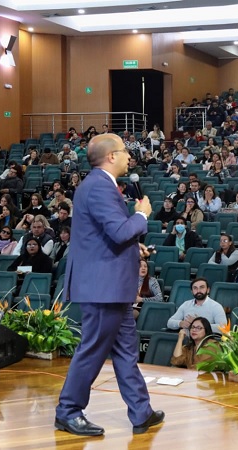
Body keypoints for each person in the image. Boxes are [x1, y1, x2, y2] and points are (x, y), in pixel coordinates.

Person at [55, 133, 163, 437]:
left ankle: (141, 412)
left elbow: (104, 238)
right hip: (103, 286)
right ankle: (68, 411)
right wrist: (141, 216)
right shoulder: (100, 187)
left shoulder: (96, 185)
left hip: (110, 284)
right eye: (125, 151)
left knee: (127, 351)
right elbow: (118, 231)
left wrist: (134, 247)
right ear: (111, 156)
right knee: (91, 350)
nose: (130, 156)